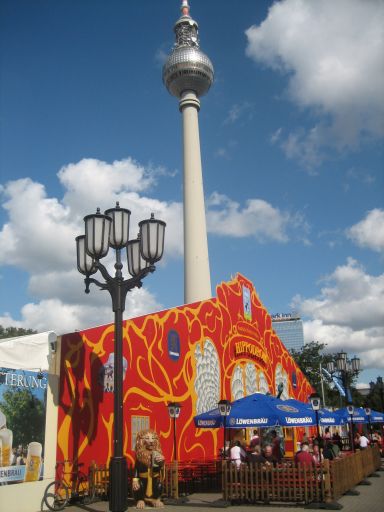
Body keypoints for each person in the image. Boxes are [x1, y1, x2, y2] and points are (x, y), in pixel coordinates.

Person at [132, 429, 165, 509]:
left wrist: (162, 462)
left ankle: (155, 498)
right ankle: (140, 499)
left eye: (153, 438)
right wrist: (135, 480)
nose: (151, 441)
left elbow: (161, 471)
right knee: (138, 486)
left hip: (154, 479)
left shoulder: (157, 453)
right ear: (140, 441)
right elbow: (136, 469)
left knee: (159, 485)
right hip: (143, 480)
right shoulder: (140, 456)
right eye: (147, 438)